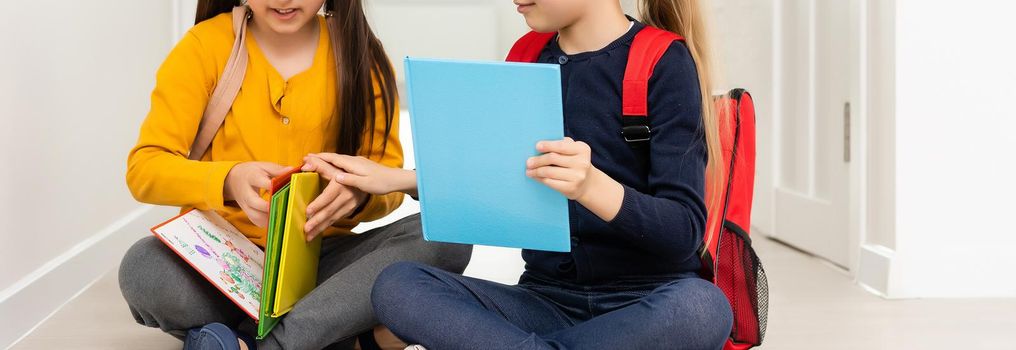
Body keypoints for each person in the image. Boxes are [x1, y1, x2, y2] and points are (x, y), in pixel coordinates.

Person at [117, 1, 471, 349]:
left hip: (324, 264)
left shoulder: (362, 52)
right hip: (224, 262)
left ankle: (256, 342)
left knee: (447, 236)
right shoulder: (205, 45)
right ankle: (323, 335)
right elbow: (144, 169)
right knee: (144, 268)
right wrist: (228, 179)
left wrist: (358, 197)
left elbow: (387, 176)